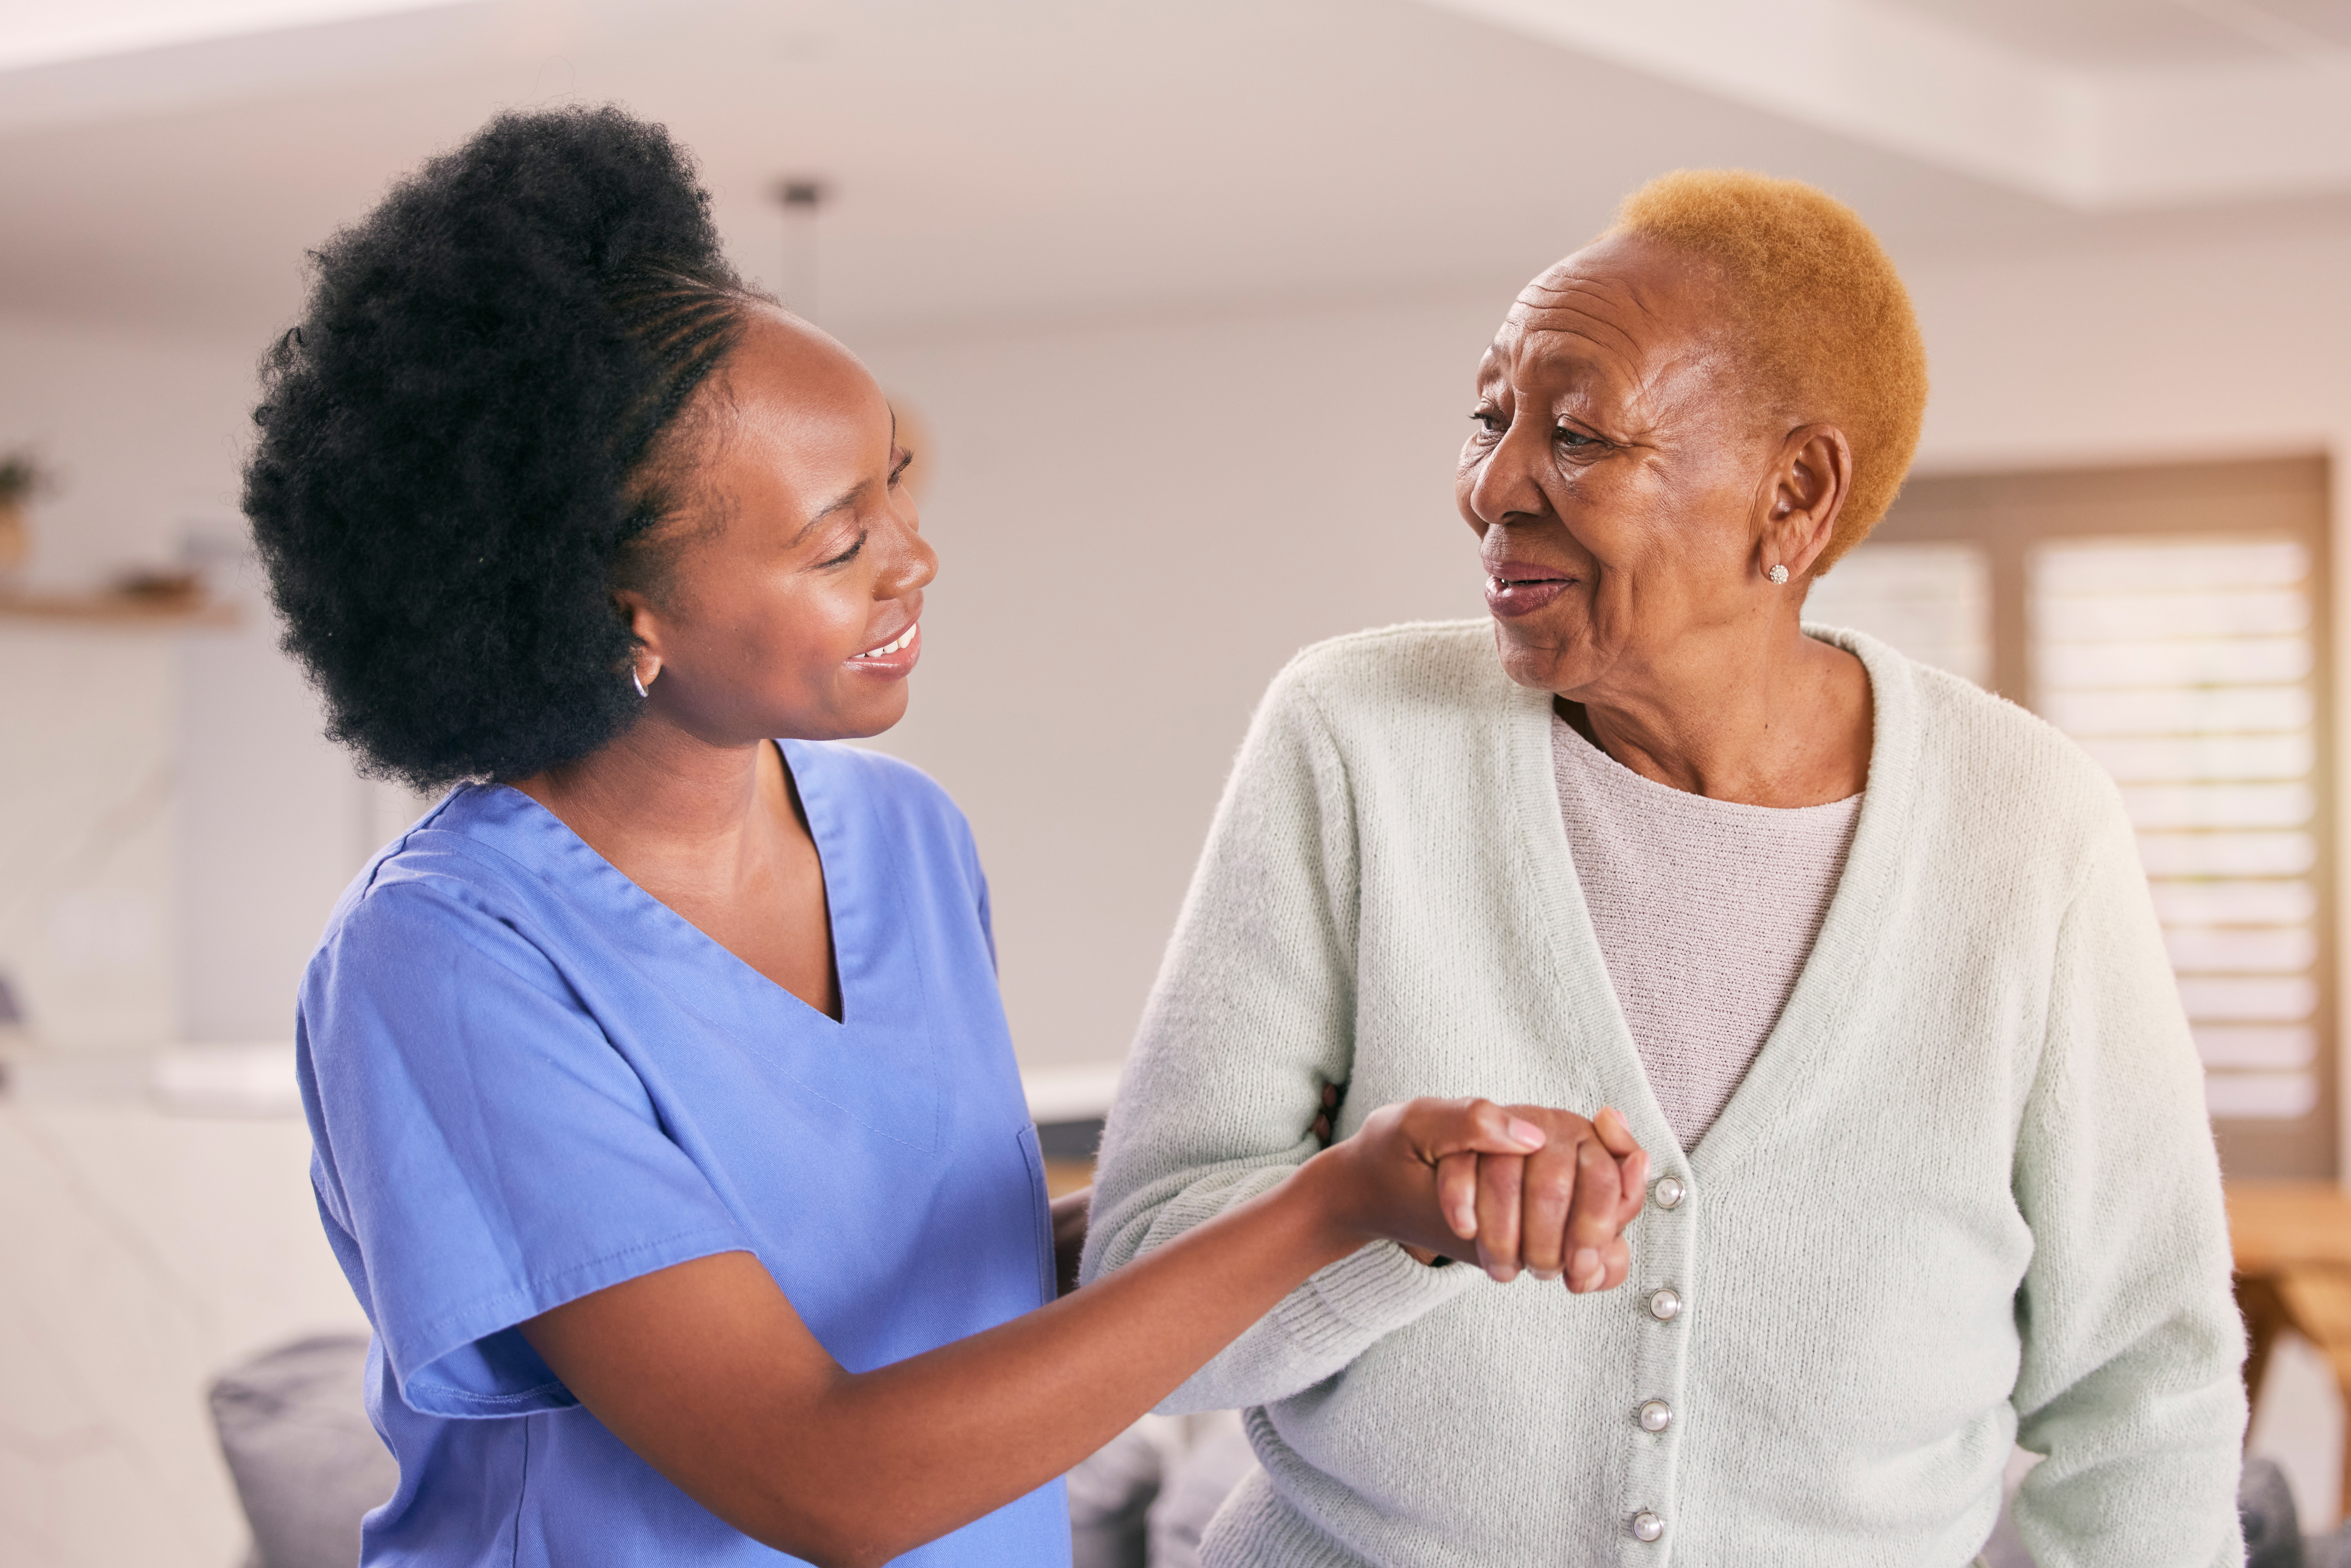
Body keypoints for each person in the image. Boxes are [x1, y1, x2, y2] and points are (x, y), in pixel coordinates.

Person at [246, 106, 1653, 1568]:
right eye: (839, 540)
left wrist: (1335, 1188)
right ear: (624, 613)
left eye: (898, 482)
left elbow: (945, 1287)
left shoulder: (901, 837)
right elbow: (823, 1478)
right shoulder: (448, 961)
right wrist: (1316, 1210)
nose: (915, 556)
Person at [1084, 169, 2247, 1566]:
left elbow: (2145, 1394)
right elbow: (1138, 1293)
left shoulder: (2030, 828)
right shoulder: (1358, 739)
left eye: (1576, 434)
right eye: (1488, 417)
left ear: (1792, 495)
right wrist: (1405, 1222)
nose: (1491, 486)